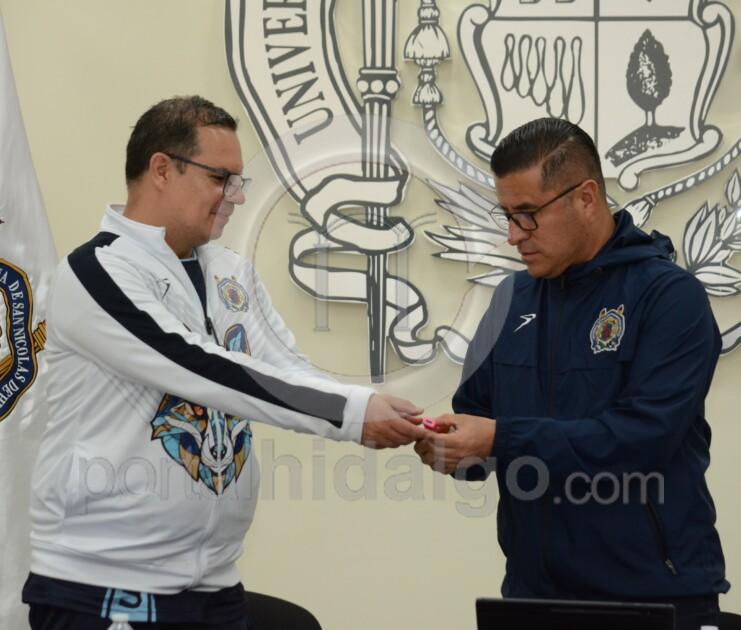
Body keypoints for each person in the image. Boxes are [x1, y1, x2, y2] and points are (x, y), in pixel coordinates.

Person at [22, 95, 425, 629]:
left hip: (214, 581)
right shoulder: (94, 273)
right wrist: (351, 413)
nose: (235, 196)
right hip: (105, 581)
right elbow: (200, 367)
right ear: (161, 169)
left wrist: (387, 411)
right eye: (220, 178)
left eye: (238, 181)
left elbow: (288, 369)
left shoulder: (230, 271)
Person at [414, 118, 728, 630]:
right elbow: (479, 419)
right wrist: (450, 447)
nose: (514, 236)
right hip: (530, 596)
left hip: (655, 595)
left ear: (585, 198)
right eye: (507, 216)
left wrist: (497, 437)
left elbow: (642, 439)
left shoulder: (670, 297)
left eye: (528, 215)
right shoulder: (509, 299)